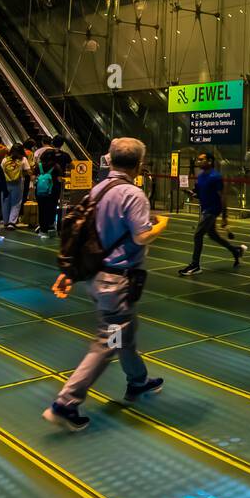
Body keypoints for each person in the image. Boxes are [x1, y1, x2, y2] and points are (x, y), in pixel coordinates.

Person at [44, 137, 169, 432]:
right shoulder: (133, 194)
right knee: (108, 341)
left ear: (109, 161)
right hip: (118, 282)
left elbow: (82, 233)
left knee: (125, 331)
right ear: (140, 165)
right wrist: (161, 224)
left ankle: (137, 382)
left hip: (99, 278)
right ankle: (66, 403)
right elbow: (142, 236)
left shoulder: (98, 190)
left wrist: (69, 272)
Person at [179, 152, 246, 275]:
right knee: (213, 235)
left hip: (212, 210)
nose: (198, 161)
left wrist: (225, 217)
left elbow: (222, 197)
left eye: (201, 159)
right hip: (206, 209)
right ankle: (236, 251)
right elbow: (199, 194)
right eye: (198, 160)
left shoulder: (216, 177)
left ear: (209, 161)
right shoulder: (201, 176)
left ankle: (195, 265)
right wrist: (191, 194)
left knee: (198, 235)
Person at [33, 146, 64, 239]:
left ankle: (43, 231)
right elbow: (59, 180)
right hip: (53, 192)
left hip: (40, 192)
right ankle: (51, 228)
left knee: (42, 210)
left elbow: (33, 178)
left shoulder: (39, 166)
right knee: (51, 209)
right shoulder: (56, 166)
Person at [1, 143, 29, 229]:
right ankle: (11, 222)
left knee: (5, 202)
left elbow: (1, 171)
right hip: (18, 183)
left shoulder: (5, 159)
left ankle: (5, 221)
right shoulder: (23, 159)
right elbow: (27, 171)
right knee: (16, 203)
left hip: (5, 183)